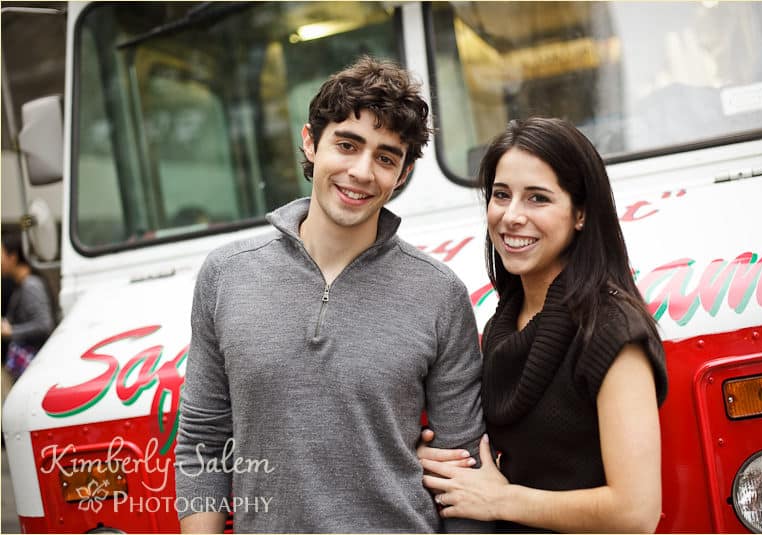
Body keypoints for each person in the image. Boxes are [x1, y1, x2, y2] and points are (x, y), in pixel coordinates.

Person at [174, 56, 487, 533]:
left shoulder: (439, 294)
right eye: (347, 144)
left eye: (386, 157)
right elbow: (203, 444)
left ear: (400, 176)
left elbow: (463, 471)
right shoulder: (226, 275)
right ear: (310, 143)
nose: (362, 171)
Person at [417, 117, 668, 532]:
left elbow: (635, 513)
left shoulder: (612, 330)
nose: (511, 216)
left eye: (538, 198)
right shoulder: (504, 321)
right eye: (501, 195)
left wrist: (501, 500)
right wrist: (439, 460)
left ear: (582, 213)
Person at [1, 232, 55, 392]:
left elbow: (45, 325)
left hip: (37, 367)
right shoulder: (22, 285)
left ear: (13, 257)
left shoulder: (31, 285)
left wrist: (11, 331)